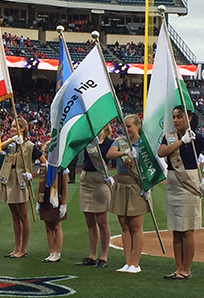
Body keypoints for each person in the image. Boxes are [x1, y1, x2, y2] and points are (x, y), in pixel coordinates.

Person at [157, 106, 204, 280]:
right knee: (176, 228)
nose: (176, 120)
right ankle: (178, 268)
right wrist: (180, 142)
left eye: (179, 116)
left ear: (189, 119)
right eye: (174, 117)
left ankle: (186, 269)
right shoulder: (170, 138)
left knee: (187, 229)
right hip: (173, 185)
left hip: (188, 184)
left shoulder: (196, 138)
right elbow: (161, 152)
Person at [0, 118, 46, 258]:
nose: (12, 128)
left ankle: (23, 249)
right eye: (12, 126)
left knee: (23, 216)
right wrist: (12, 139)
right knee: (14, 216)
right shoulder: (12, 144)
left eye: (15, 126)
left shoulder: (30, 146)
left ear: (22, 128)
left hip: (21, 180)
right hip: (9, 178)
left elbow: (44, 163)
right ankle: (16, 247)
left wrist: (32, 175)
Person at [108, 115, 149, 273]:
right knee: (124, 225)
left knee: (136, 226)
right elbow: (110, 154)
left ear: (138, 127)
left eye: (129, 126)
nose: (126, 129)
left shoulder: (144, 143)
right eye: (124, 125)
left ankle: (135, 263)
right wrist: (124, 153)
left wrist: (148, 186)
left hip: (137, 185)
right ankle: (127, 262)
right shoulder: (120, 141)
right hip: (121, 184)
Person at [77, 125, 116, 269]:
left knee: (102, 222)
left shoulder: (110, 144)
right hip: (85, 179)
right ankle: (92, 255)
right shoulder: (89, 141)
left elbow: (109, 159)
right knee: (90, 221)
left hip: (100, 180)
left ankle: (103, 256)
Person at [36, 141, 68, 263]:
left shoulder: (62, 168)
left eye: (46, 152)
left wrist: (63, 204)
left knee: (56, 225)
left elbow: (64, 187)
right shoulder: (43, 168)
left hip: (56, 199)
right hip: (45, 200)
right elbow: (40, 185)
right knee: (48, 226)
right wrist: (38, 203)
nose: (44, 155)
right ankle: (51, 252)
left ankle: (57, 253)